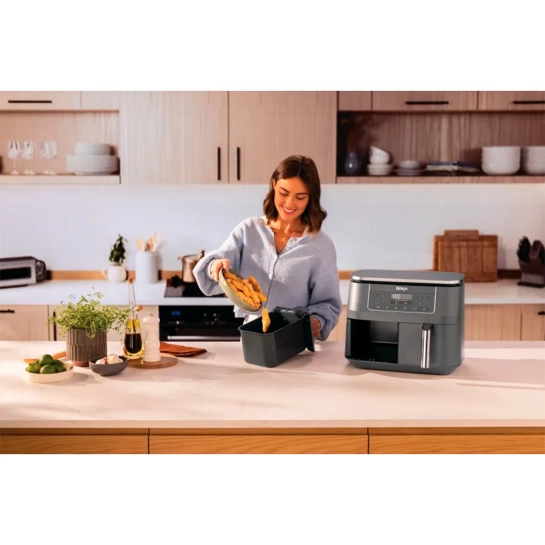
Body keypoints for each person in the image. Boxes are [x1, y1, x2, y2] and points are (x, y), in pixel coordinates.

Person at [193, 154, 342, 341]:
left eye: (300, 197)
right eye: (284, 193)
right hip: (251, 337)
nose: (289, 203)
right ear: (274, 185)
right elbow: (218, 261)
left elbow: (328, 305)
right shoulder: (249, 230)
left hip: (294, 340)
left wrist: (316, 322)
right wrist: (214, 266)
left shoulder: (320, 246)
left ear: (310, 197)